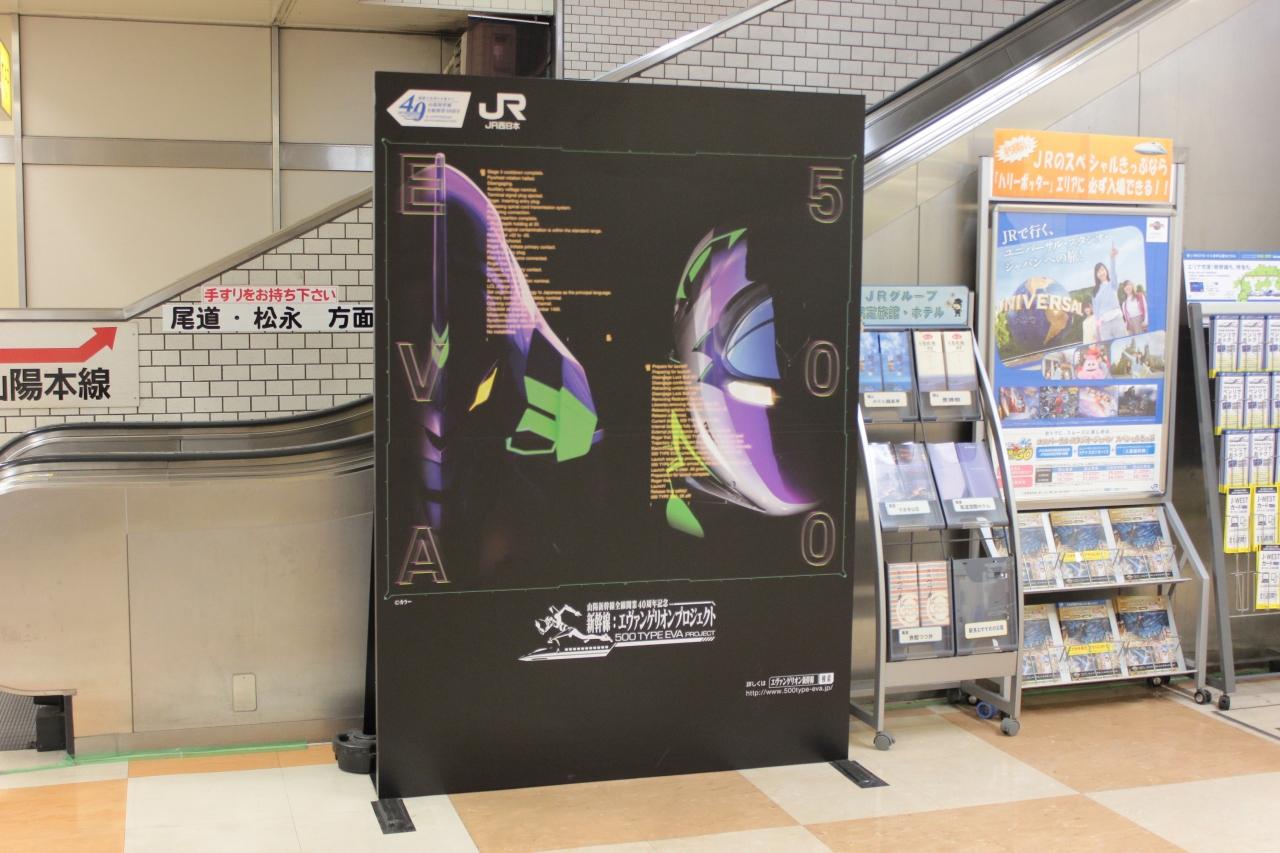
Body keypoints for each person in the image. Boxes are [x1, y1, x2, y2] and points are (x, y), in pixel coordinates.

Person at [1091, 245, 1127, 340]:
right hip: (1104, 325)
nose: (1101, 273)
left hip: (1117, 320)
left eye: (1102, 270)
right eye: (1098, 272)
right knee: (1108, 347)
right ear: (1096, 275)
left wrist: (1112, 258)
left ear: (1106, 271)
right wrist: (1097, 328)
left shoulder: (1112, 284)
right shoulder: (1094, 291)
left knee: (1123, 344)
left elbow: (1114, 273)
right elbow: (1096, 311)